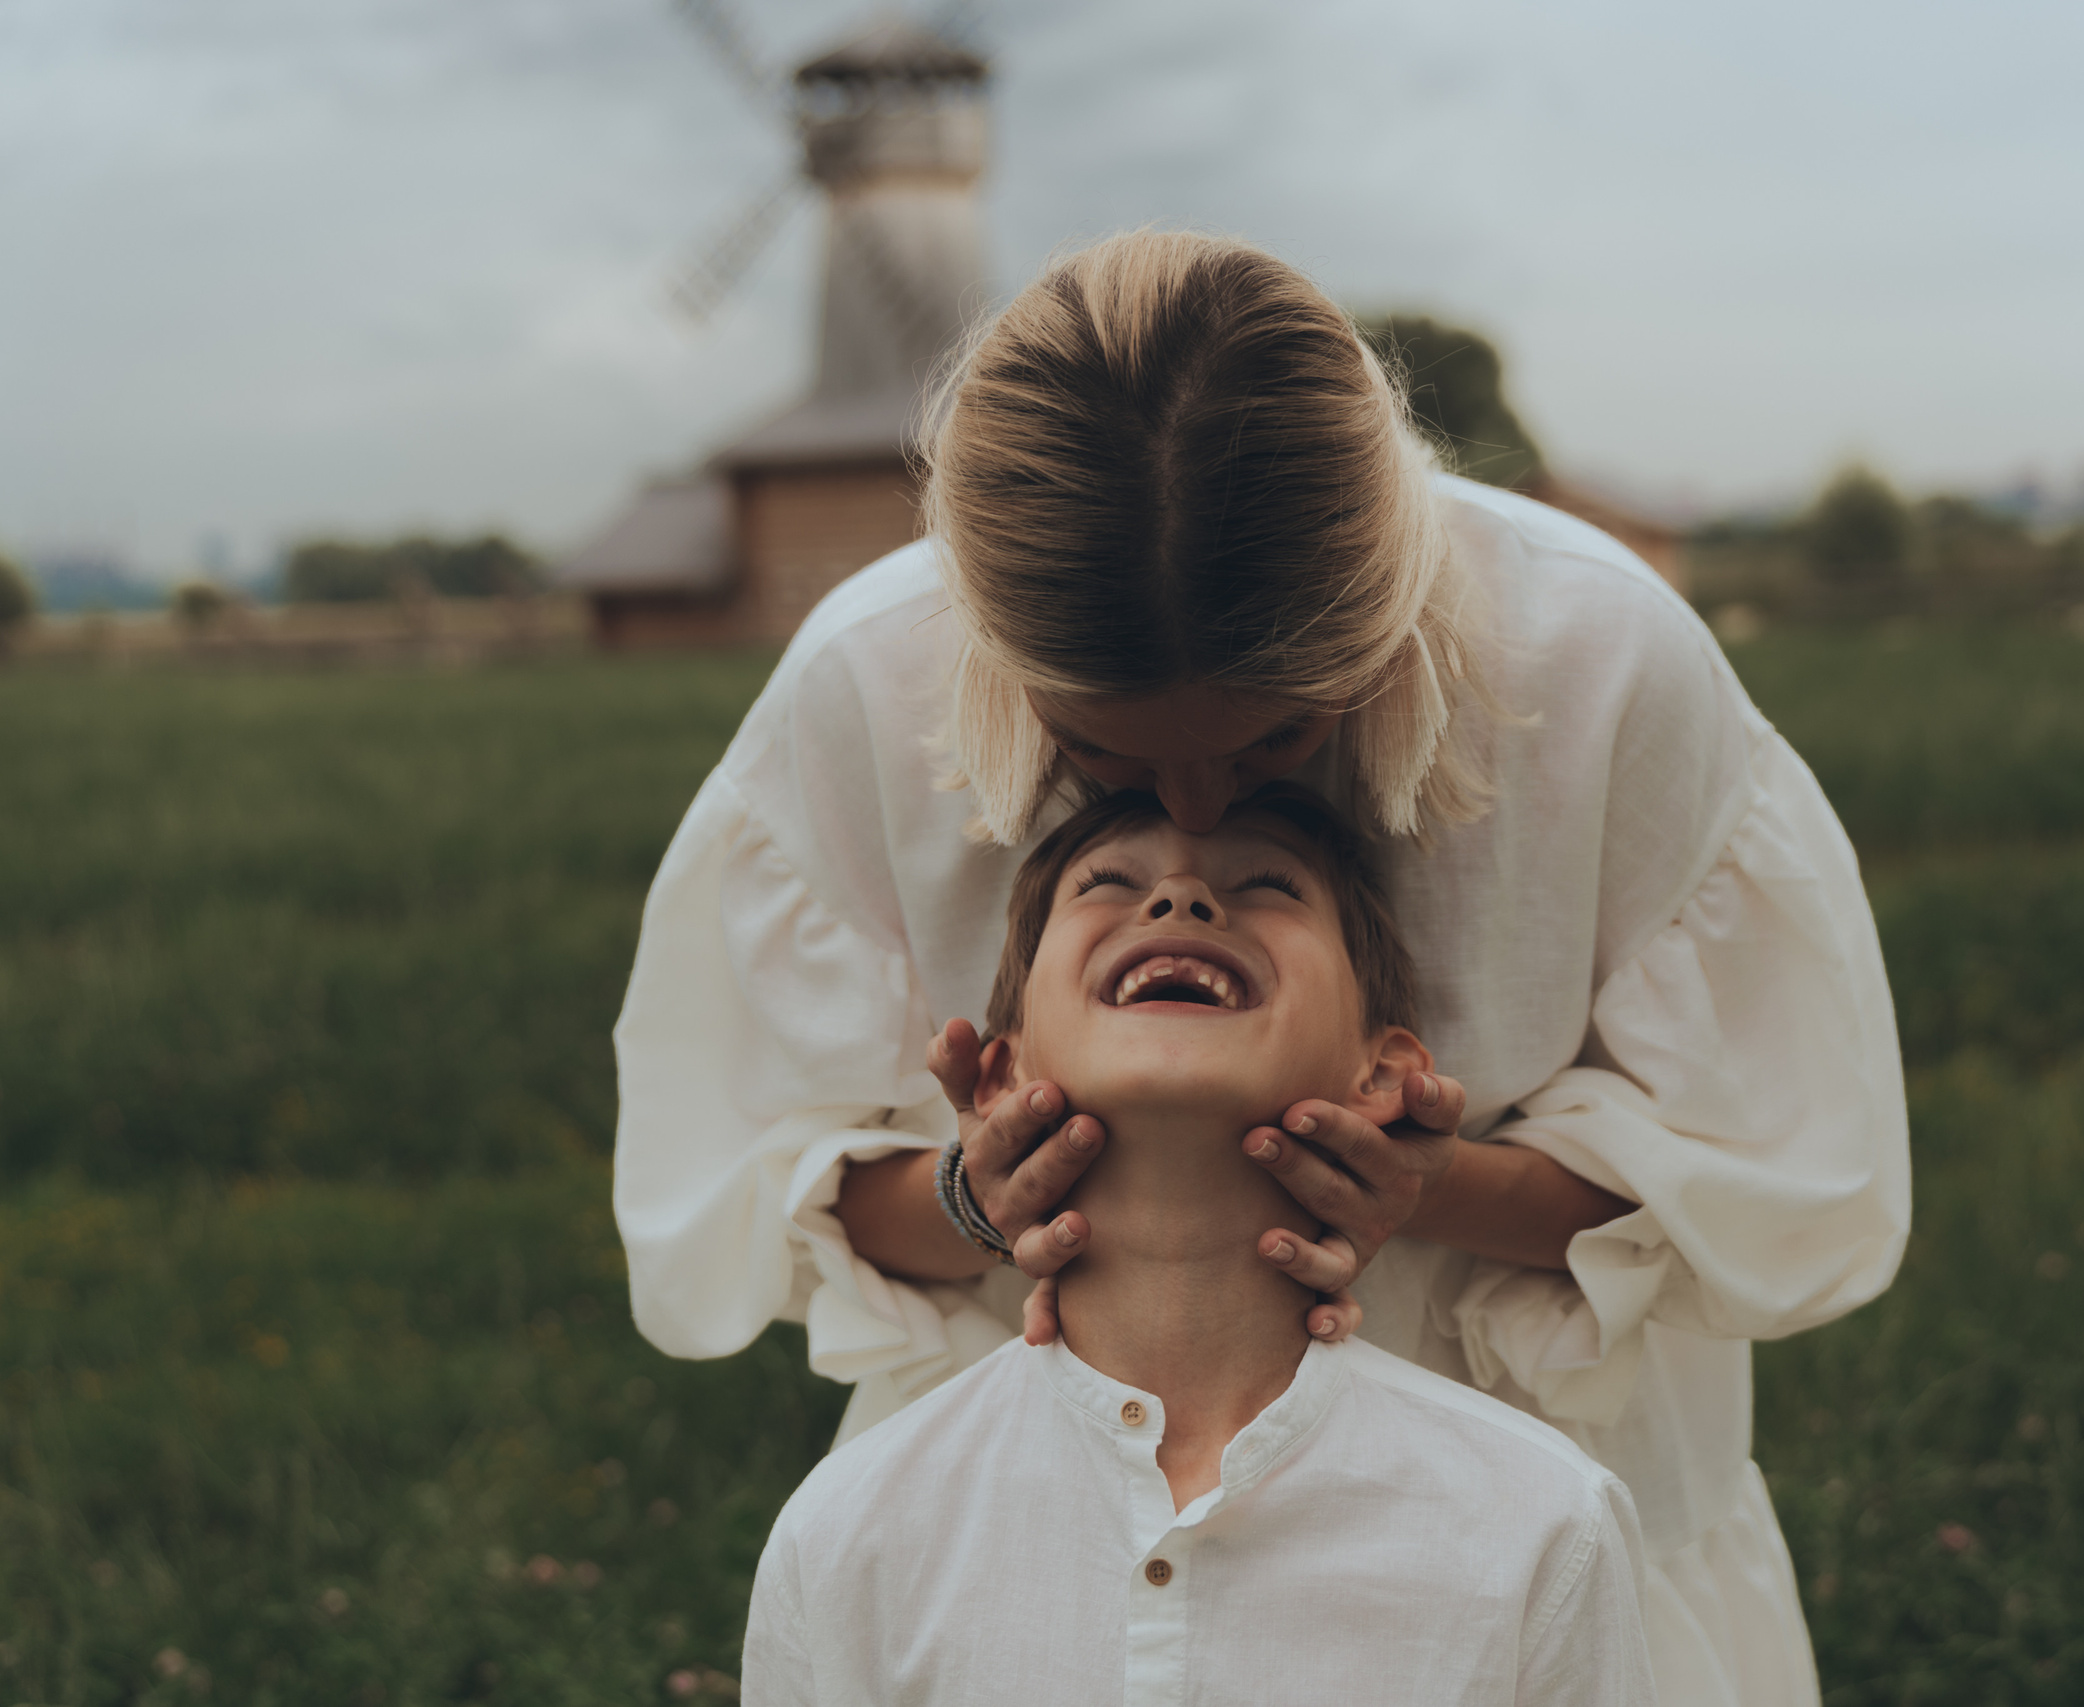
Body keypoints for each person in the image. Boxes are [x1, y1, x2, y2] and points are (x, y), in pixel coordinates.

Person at [613, 229, 1909, 1703]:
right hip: (1028, 1564)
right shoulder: (863, 680)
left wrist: (1434, 1187)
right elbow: (746, 1195)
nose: (1192, 817)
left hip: (1526, 1564)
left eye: (1278, 736)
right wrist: (977, 1194)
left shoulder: (1601, 661)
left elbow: (1783, 1183)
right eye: (1100, 757)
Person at [742, 785, 1656, 1706]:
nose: (1180, 897)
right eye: (1108, 881)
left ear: (1383, 1073)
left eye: (1269, 885)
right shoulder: (850, 1536)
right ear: (1004, 1071)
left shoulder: (1538, 1528)